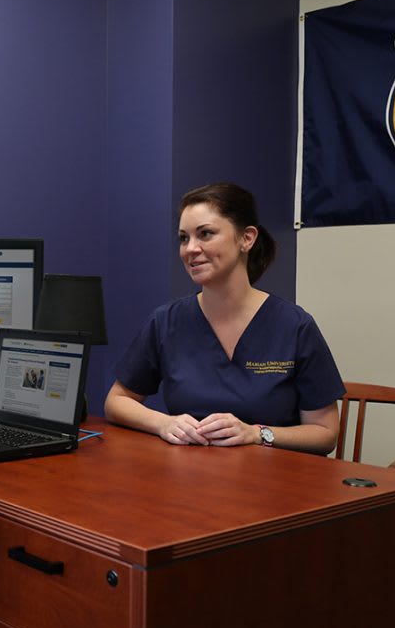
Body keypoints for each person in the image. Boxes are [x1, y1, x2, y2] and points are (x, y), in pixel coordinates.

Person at [105, 183, 344, 454]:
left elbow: (325, 433)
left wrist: (256, 433)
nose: (190, 249)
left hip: (274, 484)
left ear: (247, 239)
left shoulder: (294, 326)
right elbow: (117, 401)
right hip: (190, 481)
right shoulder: (167, 322)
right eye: (184, 238)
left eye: (205, 234)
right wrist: (163, 423)